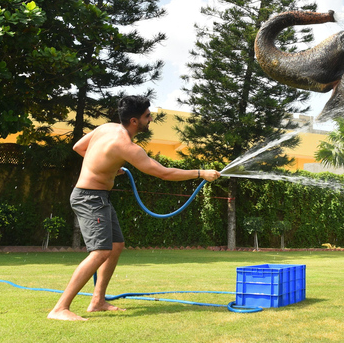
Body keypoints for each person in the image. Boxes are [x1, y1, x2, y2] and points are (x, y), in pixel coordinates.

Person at [47, 95, 220, 321]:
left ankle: (97, 301)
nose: (150, 120)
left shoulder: (106, 128)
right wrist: (201, 173)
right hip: (89, 198)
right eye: (147, 116)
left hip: (98, 197)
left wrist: (107, 165)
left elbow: (79, 147)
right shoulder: (128, 147)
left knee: (116, 245)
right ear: (134, 121)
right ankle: (60, 308)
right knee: (100, 252)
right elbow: (163, 172)